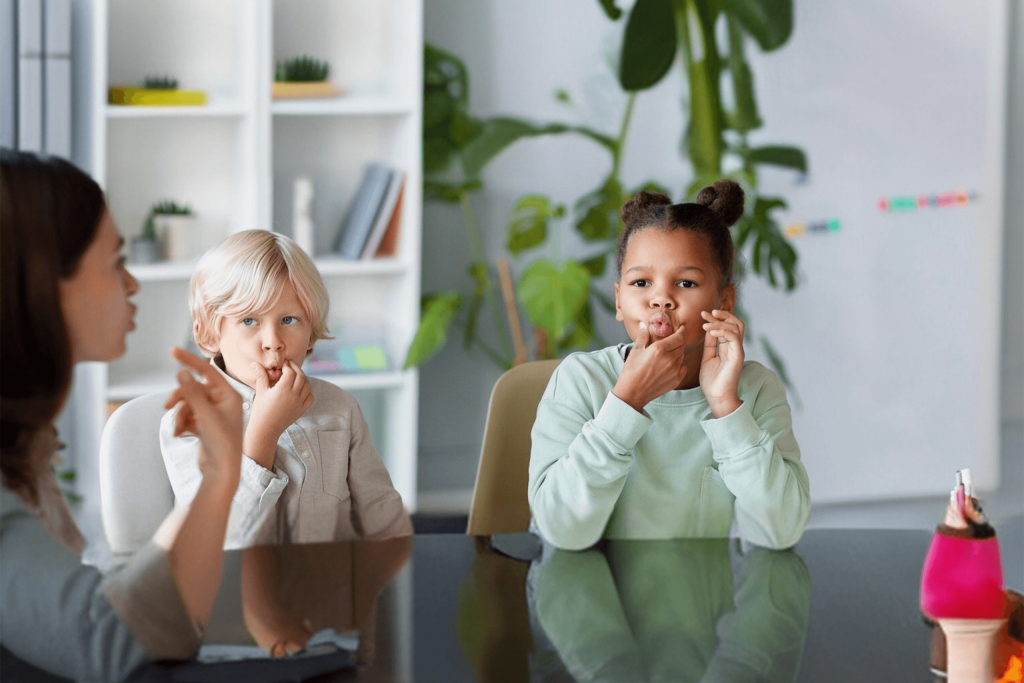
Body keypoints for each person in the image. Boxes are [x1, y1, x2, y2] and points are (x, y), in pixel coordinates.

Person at [0, 149, 244, 680]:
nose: (132, 284)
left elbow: (118, 605)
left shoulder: (24, 444)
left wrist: (212, 477)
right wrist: (221, 476)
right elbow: (119, 643)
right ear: (42, 285)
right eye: (115, 262)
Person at [528, 179, 811, 551]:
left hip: (701, 603)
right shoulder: (579, 380)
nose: (660, 299)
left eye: (686, 283)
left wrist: (726, 407)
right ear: (618, 300)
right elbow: (562, 531)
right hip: (588, 597)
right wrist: (626, 402)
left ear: (725, 301)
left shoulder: (754, 391)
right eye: (641, 282)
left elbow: (781, 532)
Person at [160, 230, 411, 549]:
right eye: (249, 321)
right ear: (210, 334)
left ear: (312, 334)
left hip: (330, 588)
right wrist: (265, 430)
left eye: (289, 319)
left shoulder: (340, 408)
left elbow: (382, 516)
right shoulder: (188, 422)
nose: (273, 341)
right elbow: (219, 535)